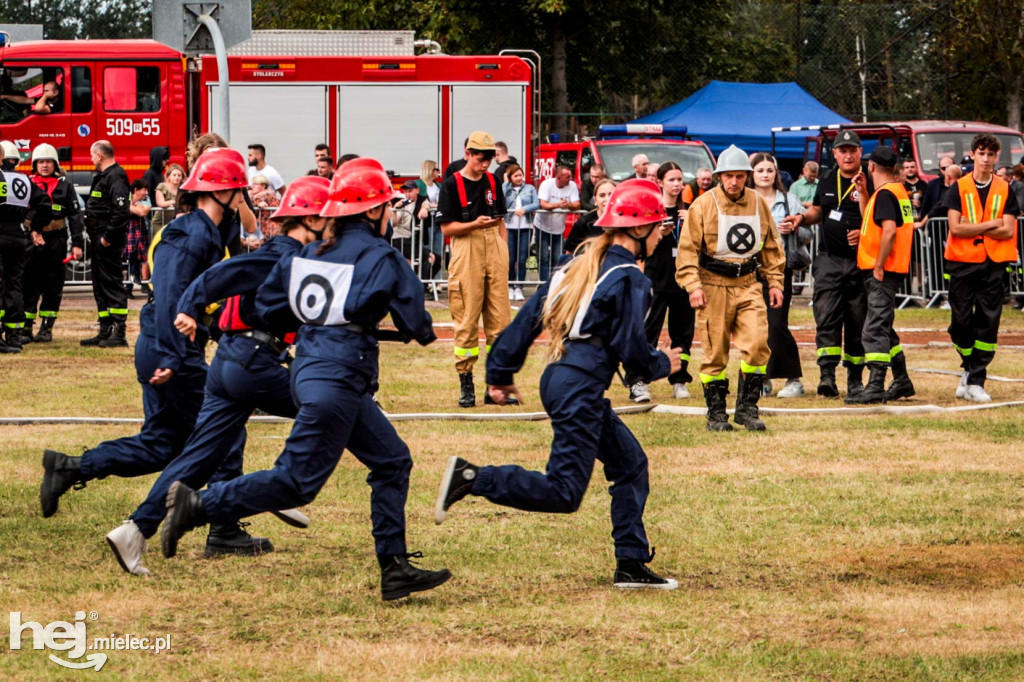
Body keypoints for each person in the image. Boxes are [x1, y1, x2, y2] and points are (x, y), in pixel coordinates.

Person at [160, 159, 452, 602]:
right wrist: (415, 332)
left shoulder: (311, 254)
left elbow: (273, 308)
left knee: (392, 460)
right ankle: (199, 505)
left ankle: (394, 568)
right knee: (296, 482)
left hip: (310, 370)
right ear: (373, 212)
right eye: (387, 206)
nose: (391, 214)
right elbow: (416, 321)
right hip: (337, 376)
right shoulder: (382, 256)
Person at [434, 179, 682, 590]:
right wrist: (664, 364)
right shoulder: (630, 278)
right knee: (564, 492)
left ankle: (631, 563)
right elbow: (631, 350)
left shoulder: (574, 266)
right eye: (657, 226)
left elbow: (528, 318)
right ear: (637, 229)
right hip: (580, 386)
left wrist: (500, 373)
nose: (660, 234)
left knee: (630, 464)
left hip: (563, 379)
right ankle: (472, 477)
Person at [40, 149, 271, 560]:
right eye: (238, 190)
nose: (243, 198)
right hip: (170, 349)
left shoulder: (210, 231)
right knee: (226, 431)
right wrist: (174, 355)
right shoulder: (191, 235)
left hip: (164, 346)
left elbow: (202, 300)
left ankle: (71, 468)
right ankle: (221, 527)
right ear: (223, 191)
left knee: (162, 444)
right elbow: (171, 298)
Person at [105, 177, 330, 577]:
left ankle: (135, 528)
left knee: (201, 454)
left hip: (232, 360)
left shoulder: (219, 234)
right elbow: (200, 282)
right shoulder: (273, 250)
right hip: (248, 361)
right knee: (337, 412)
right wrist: (184, 325)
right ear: (310, 219)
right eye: (330, 220)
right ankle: (272, 487)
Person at [676, 145, 785, 431]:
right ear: (718, 177)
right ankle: (716, 413)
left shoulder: (759, 203)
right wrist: (693, 287)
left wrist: (774, 282)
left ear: (747, 177)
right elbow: (687, 251)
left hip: (749, 283)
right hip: (712, 284)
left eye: (739, 176)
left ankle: (747, 409)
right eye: (728, 176)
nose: (734, 182)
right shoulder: (702, 205)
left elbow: (771, 246)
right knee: (715, 351)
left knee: (758, 343)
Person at [784, 130, 872, 398]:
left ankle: (855, 380)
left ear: (860, 152)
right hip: (829, 260)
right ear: (834, 154)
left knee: (857, 322)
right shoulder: (826, 178)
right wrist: (801, 218)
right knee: (826, 319)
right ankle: (827, 377)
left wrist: (864, 231)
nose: (847, 155)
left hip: (860, 261)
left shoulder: (871, 178)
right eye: (842, 150)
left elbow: (875, 216)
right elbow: (819, 212)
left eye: (852, 150)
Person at [942, 133, 1020, 402]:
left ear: (996, 156)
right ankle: (968, 366)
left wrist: (973, 228)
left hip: (994, 264)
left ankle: (976, 379)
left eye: (991, 154)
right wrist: (991, 224)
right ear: (973, 154)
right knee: (960, 322)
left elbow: (1009, 229)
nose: (986, 159)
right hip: (963, 263)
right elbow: (955, 228)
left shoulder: (1005, 188)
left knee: (988, 322)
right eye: (981, 153)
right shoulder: (959, 187)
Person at [437, 131, 511, 408]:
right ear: (468, 154)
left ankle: (496, 385)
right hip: (466, 245)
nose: (485, 165)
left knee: (500, 319)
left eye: (489, 159)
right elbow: (447, 228)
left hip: (493, 244)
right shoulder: (451, 184)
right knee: (467, 317)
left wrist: (504, 253)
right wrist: (474, 225)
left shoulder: (493, 180)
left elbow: (500, 219)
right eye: (481, 159)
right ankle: (466, 383)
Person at [845, 146, 916, 404]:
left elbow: (889, 231)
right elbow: (870, 221)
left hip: (882, 272)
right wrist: (863, 192)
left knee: (874, 328)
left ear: (871, 167)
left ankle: (875, 384)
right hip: (890, 270)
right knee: (884, 325)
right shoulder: (895, 192)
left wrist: (878, 264)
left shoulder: (886, 195)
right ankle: (902, 379)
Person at [625, 162, 695, 402]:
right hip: (655, 280)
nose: (677, 184)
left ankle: (679, 379)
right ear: (661, 182)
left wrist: (692, 224)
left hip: (683, 281)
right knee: (647, 333)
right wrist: (659, 232)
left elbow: (701, 244)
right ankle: (638, 382)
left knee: (683, 334)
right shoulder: (652, 211)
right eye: (672, 180)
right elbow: (639, 244)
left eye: (680, 180)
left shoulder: (690, 211)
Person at [750, 153, 807, 398]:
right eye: (760, 170)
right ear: (752, 174)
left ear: (776, 173)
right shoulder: (744, 200)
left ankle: (793, 378)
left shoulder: (789, 200)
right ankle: (761, 378)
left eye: (769, 170)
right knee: (754, 327)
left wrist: (795, 227)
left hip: (779, 269)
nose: (765, 174)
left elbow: (807, 234)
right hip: (749, 269)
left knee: (776, 324)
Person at [23, 143, 82, 344]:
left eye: (48, 161)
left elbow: (75, 216)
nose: (45, 165)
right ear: (35, 164)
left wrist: (77, 243)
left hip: (56, 239)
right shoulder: (27, 184)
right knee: (29, 283)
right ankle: (26, 328)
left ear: (55, 164)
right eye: (41, 162)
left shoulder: (65, 186)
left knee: (53, 284)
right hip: (32, 241)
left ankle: (46, 328)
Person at [78, 140, 131, 348]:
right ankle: (105, 329)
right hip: (98, 236)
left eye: (92, 155)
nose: (91, 160)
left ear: (99, 155)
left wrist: (107, 237)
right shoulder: (103, 176)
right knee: (100, 285)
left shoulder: (116, 176)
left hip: (108, 239)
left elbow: (121, 212)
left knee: (111, 283)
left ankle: (119, 332)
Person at [0, 140, 52, 352]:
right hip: (16, 236)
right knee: (14, 285)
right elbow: (45, 204)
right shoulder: (22, 179)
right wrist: (36, 227)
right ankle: (13, 336)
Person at [535, 166, 581, 281]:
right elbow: (543, 204)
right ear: (558, 177)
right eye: (567, 177)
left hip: (558, 228)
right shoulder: (547, 184)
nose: (570, 179)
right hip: (542, 226)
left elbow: (577, 205)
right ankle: (544, 283)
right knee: (543, 256)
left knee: (558, 257)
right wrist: (558, 205)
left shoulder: (572, 185)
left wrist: (568, 205)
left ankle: (556, 282)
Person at [503, 163, 539, 301]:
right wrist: (506, 182)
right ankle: (510, 285)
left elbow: (536, 203)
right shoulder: (507, 188)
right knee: (510, 258)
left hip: (525, 226)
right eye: (515, 176)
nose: (519, 178)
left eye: (520, 175)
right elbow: (501, 198)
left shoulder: (530, 188)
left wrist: (525, 208)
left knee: (522, 258)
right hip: (510, 226)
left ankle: (519, 286)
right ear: (511, 177)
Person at [564, 178, 615, 254]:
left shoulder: (626, 223)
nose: (607, 199)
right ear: (595, 201)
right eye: (602, 195)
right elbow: (569, 254)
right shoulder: (584, 223)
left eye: (611, 195)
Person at [415, 160, 444, 281]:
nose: (438, 172)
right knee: (427, 250)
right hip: (426, 222)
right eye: (436, 170)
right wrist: (432, 206)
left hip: (437, 220)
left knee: (438, 250)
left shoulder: (439, 186)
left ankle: (437, 280)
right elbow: (419, 201)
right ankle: (427, 279)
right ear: (430, 171)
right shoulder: (419, 184)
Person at [123, 179, 152, 300]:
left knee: (144, 257)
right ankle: (128, 288)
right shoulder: (125, 196)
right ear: (136, 190)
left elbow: (143, 211)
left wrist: (129, 207)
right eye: (144, 190)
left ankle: (149, 290)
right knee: (132, 255)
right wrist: (133, 207)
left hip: (141, 230)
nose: (146, 192)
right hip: (129, 230)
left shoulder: (146, 199)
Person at [151, 163, 184, 233]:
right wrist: (172, 202)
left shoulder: (182, 189)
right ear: (169, 176)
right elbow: (160, 203)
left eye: (179, 175)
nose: (177, 177)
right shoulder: (162, 186)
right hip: (160, 223)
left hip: (174, 224)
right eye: (174, 175)